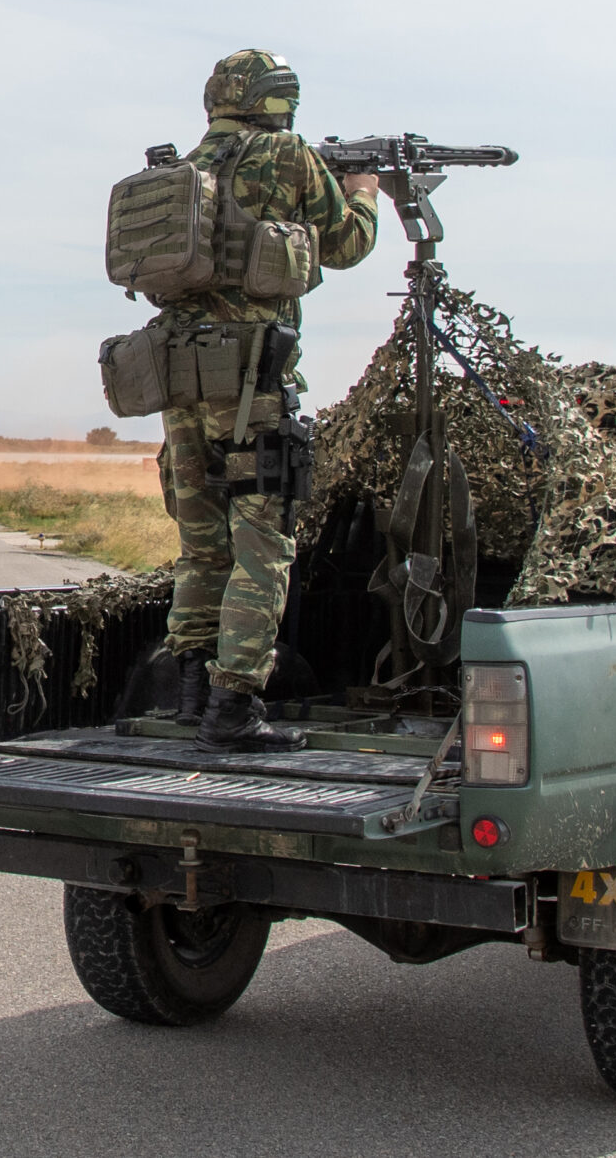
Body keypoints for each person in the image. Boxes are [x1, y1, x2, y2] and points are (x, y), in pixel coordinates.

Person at [162, 49, 380, 752]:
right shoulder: (286, 156)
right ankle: (233, 709)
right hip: (252, 383)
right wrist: (367, 190)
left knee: (202, 546)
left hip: (178, 380)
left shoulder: (181, 168)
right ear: (277, 101)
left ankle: (192, 693)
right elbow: (345, 243)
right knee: (264, 543)